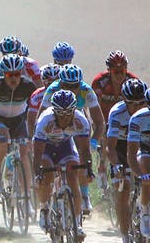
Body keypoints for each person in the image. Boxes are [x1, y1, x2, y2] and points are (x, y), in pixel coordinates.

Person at [39, 63, 105, 214]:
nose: (71, 90)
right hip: (55, 124)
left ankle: (84, 195)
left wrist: (93, 141)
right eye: (67, 86)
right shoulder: (52, 90)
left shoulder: (86, 90)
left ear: (80, 84)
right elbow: (40, 119)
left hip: (77, 123)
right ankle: (52, 195)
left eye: (75, 86)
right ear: (60, 83)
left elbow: (100, 123)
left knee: (81, 158)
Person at [33, 90, 93, 239]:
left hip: (66, 146)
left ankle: (77, 223)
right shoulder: (45, 120)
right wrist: (37, 174)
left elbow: (84, 149)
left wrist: (88, 169)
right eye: (60, 113)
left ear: (74, 110)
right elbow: (38, 153)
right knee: (47, 176)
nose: (65, 117)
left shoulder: (80, 120)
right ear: (54, 111)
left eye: (68, 113)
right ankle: (45, 209)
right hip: (46, 147)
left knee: (73, 178)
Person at [0, 54, 37, 199]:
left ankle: (26, 195)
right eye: (9, 74)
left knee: (24, 152)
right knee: (3, 141)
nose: (13, 78)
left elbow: (35, 111)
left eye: (17, 74)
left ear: (21, 73)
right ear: (3, 74)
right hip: (0, 119)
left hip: (19, 120)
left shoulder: (28, 86)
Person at [107, 78, 148, 242]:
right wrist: (116, 166)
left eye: (141, 103)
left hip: (141, 145)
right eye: (133, 103)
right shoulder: (117, 113)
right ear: (124, 101)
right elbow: (110, 146)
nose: (137, 107)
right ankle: (124, 235)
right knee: (123, 191)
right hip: (121, 148)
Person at [127, 86, 150, 238]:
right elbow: (132, 151)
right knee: (147, 169)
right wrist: (140, 174)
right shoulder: (138, 118)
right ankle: (145, 211)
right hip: (144, 150)